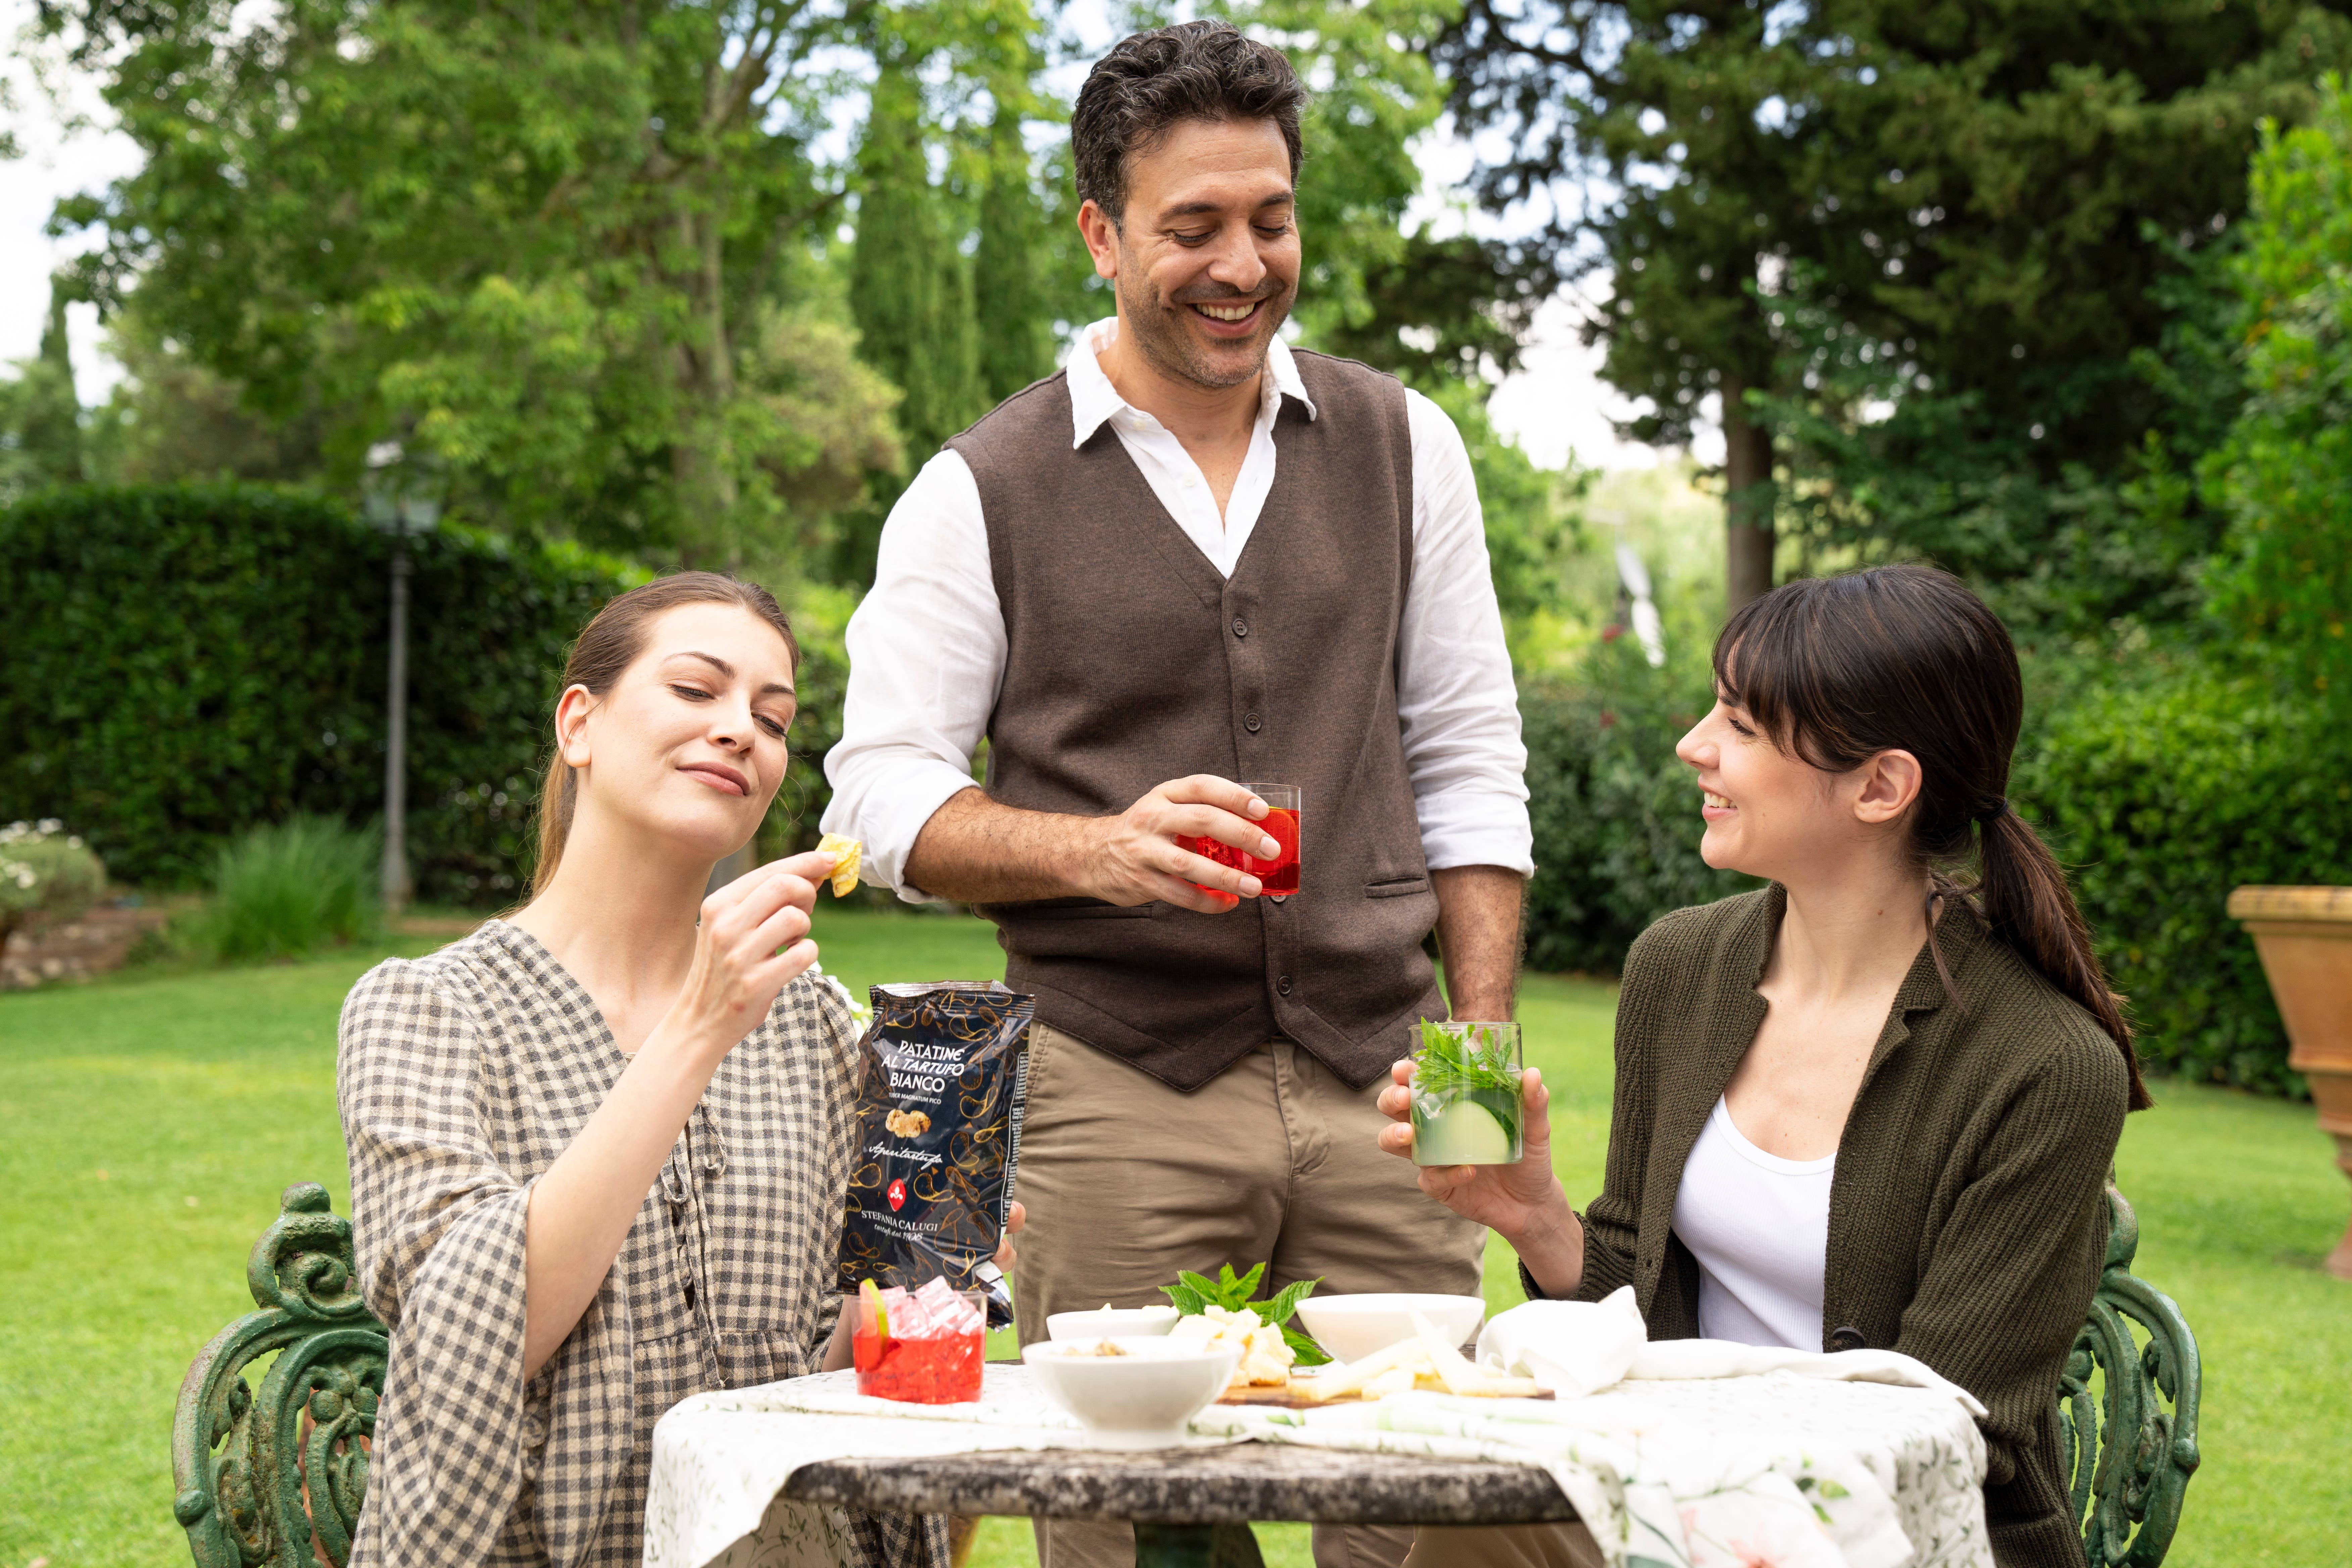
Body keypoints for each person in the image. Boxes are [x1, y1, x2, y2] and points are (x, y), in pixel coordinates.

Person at [821, 19, 1532, 1568]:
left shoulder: (1410, 447)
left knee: (1441, 1508)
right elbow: (877, 793)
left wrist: (1472, 1085)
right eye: (1191, 226)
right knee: (1128, 1528)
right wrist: (1098, 852)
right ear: (1101, 234)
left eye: (1269, 218)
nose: (1241, 263)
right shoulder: (978, 489)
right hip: (1117, 1085)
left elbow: (1472, 758)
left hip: (1382, 1075)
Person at [1380, 564, 2147, 1568]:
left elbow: (1957, 1426)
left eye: (1741, 727)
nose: (1692, 745)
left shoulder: (2045, 1065)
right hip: (1669, 1491)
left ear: (1881, 786)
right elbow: (1642, 1319)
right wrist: (1536, 1217)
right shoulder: (1681, 968)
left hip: (1897, 1528)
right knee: (1487, 1523)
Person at [338, 573, 1015, 1568]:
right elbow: (472, 1337)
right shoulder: (427, 1010)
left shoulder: (823, 1030)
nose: (742, 729)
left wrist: (934, 1261)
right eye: (697, 691)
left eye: (773, 718)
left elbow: (823, 1385)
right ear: (581, 723)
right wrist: (699, 1029)